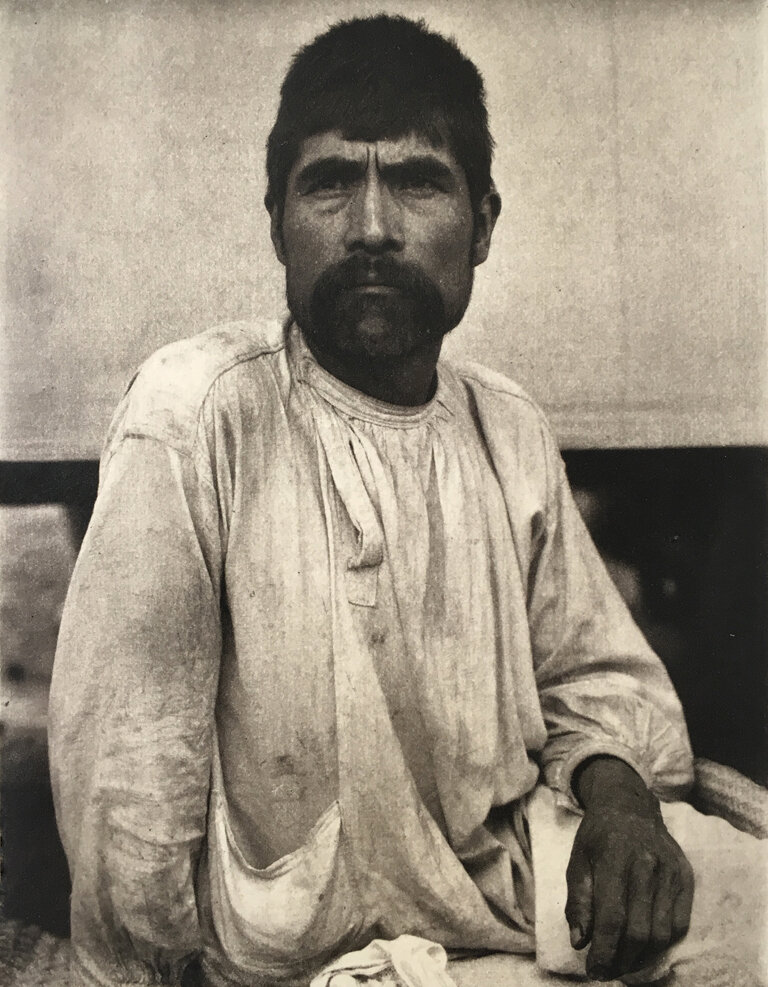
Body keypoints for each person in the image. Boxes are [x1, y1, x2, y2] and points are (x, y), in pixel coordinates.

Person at [48, 14, 766, 987]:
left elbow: (597, 680)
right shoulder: (197, 418)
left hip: (508, 914)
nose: (373, 227)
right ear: (276, 221)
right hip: (280, 962)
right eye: (331, 181)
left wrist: (620, 801)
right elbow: (128, 788)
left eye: (419, 180)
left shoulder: (504, 425)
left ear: (483, 223)